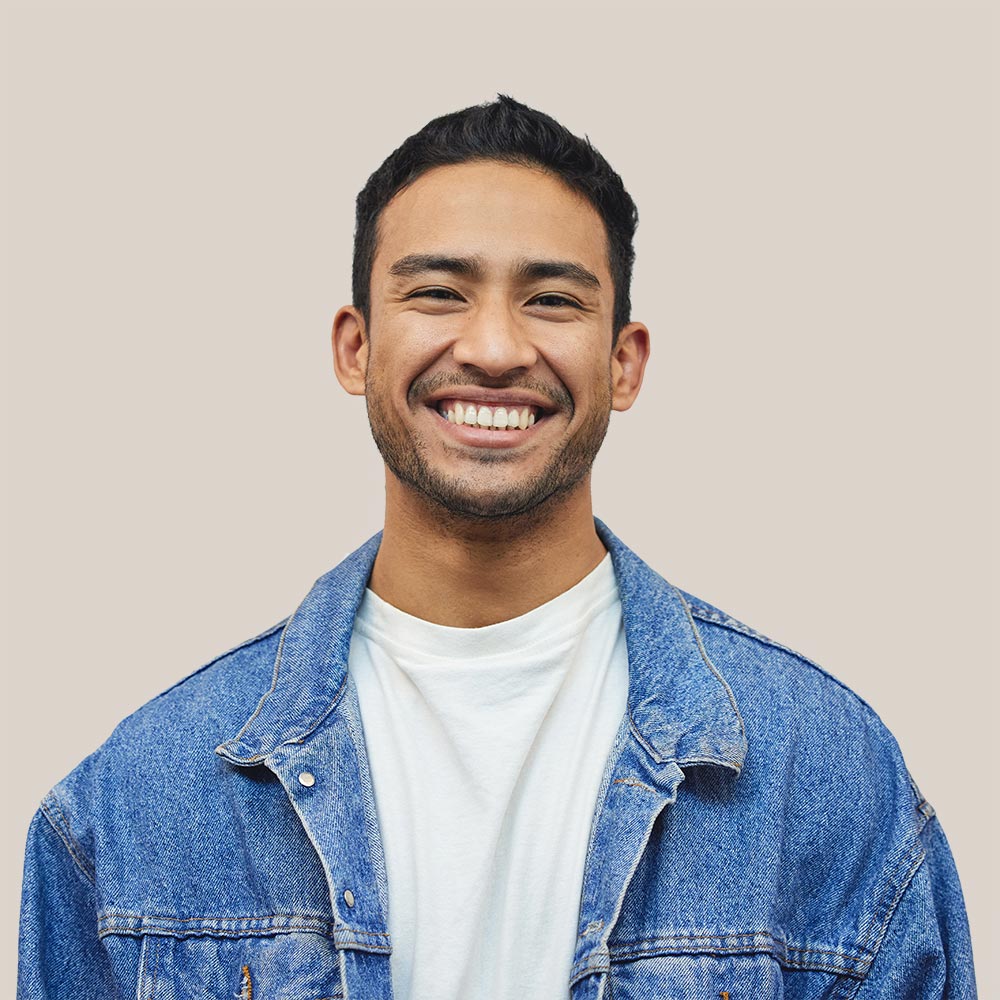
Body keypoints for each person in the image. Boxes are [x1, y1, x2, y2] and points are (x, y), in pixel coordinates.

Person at [18, 95, 977, 1000]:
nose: (493, 348)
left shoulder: (822, 769)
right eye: (439, 292)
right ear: (355, 347)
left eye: (552, 300)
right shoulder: (135, 797)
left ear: (624, 362)